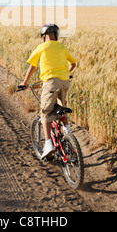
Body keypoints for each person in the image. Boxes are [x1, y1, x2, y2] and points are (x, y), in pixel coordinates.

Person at [19, 23, 77, 159]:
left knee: (45, 112)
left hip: (50, 83)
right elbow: (73, 63)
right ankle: (68, 133)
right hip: (65, 82)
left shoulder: (41, 47)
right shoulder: (62, 47)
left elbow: (32, 66)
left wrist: (25, 82)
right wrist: (64, 73)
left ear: (43, 36)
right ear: (56, 35)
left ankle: (48, 144)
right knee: (61, 106)